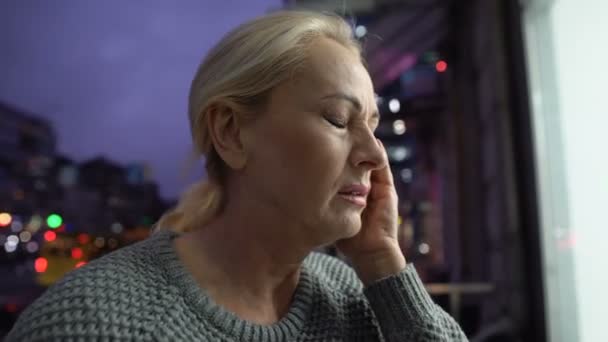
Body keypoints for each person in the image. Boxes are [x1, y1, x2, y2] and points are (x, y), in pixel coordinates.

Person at [7, 10, 467, 341]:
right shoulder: (90, 323)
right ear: (230, 132)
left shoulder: (361, 296)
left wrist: (383, 261)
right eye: (337, 119)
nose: (374, 154)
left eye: (373, 127)